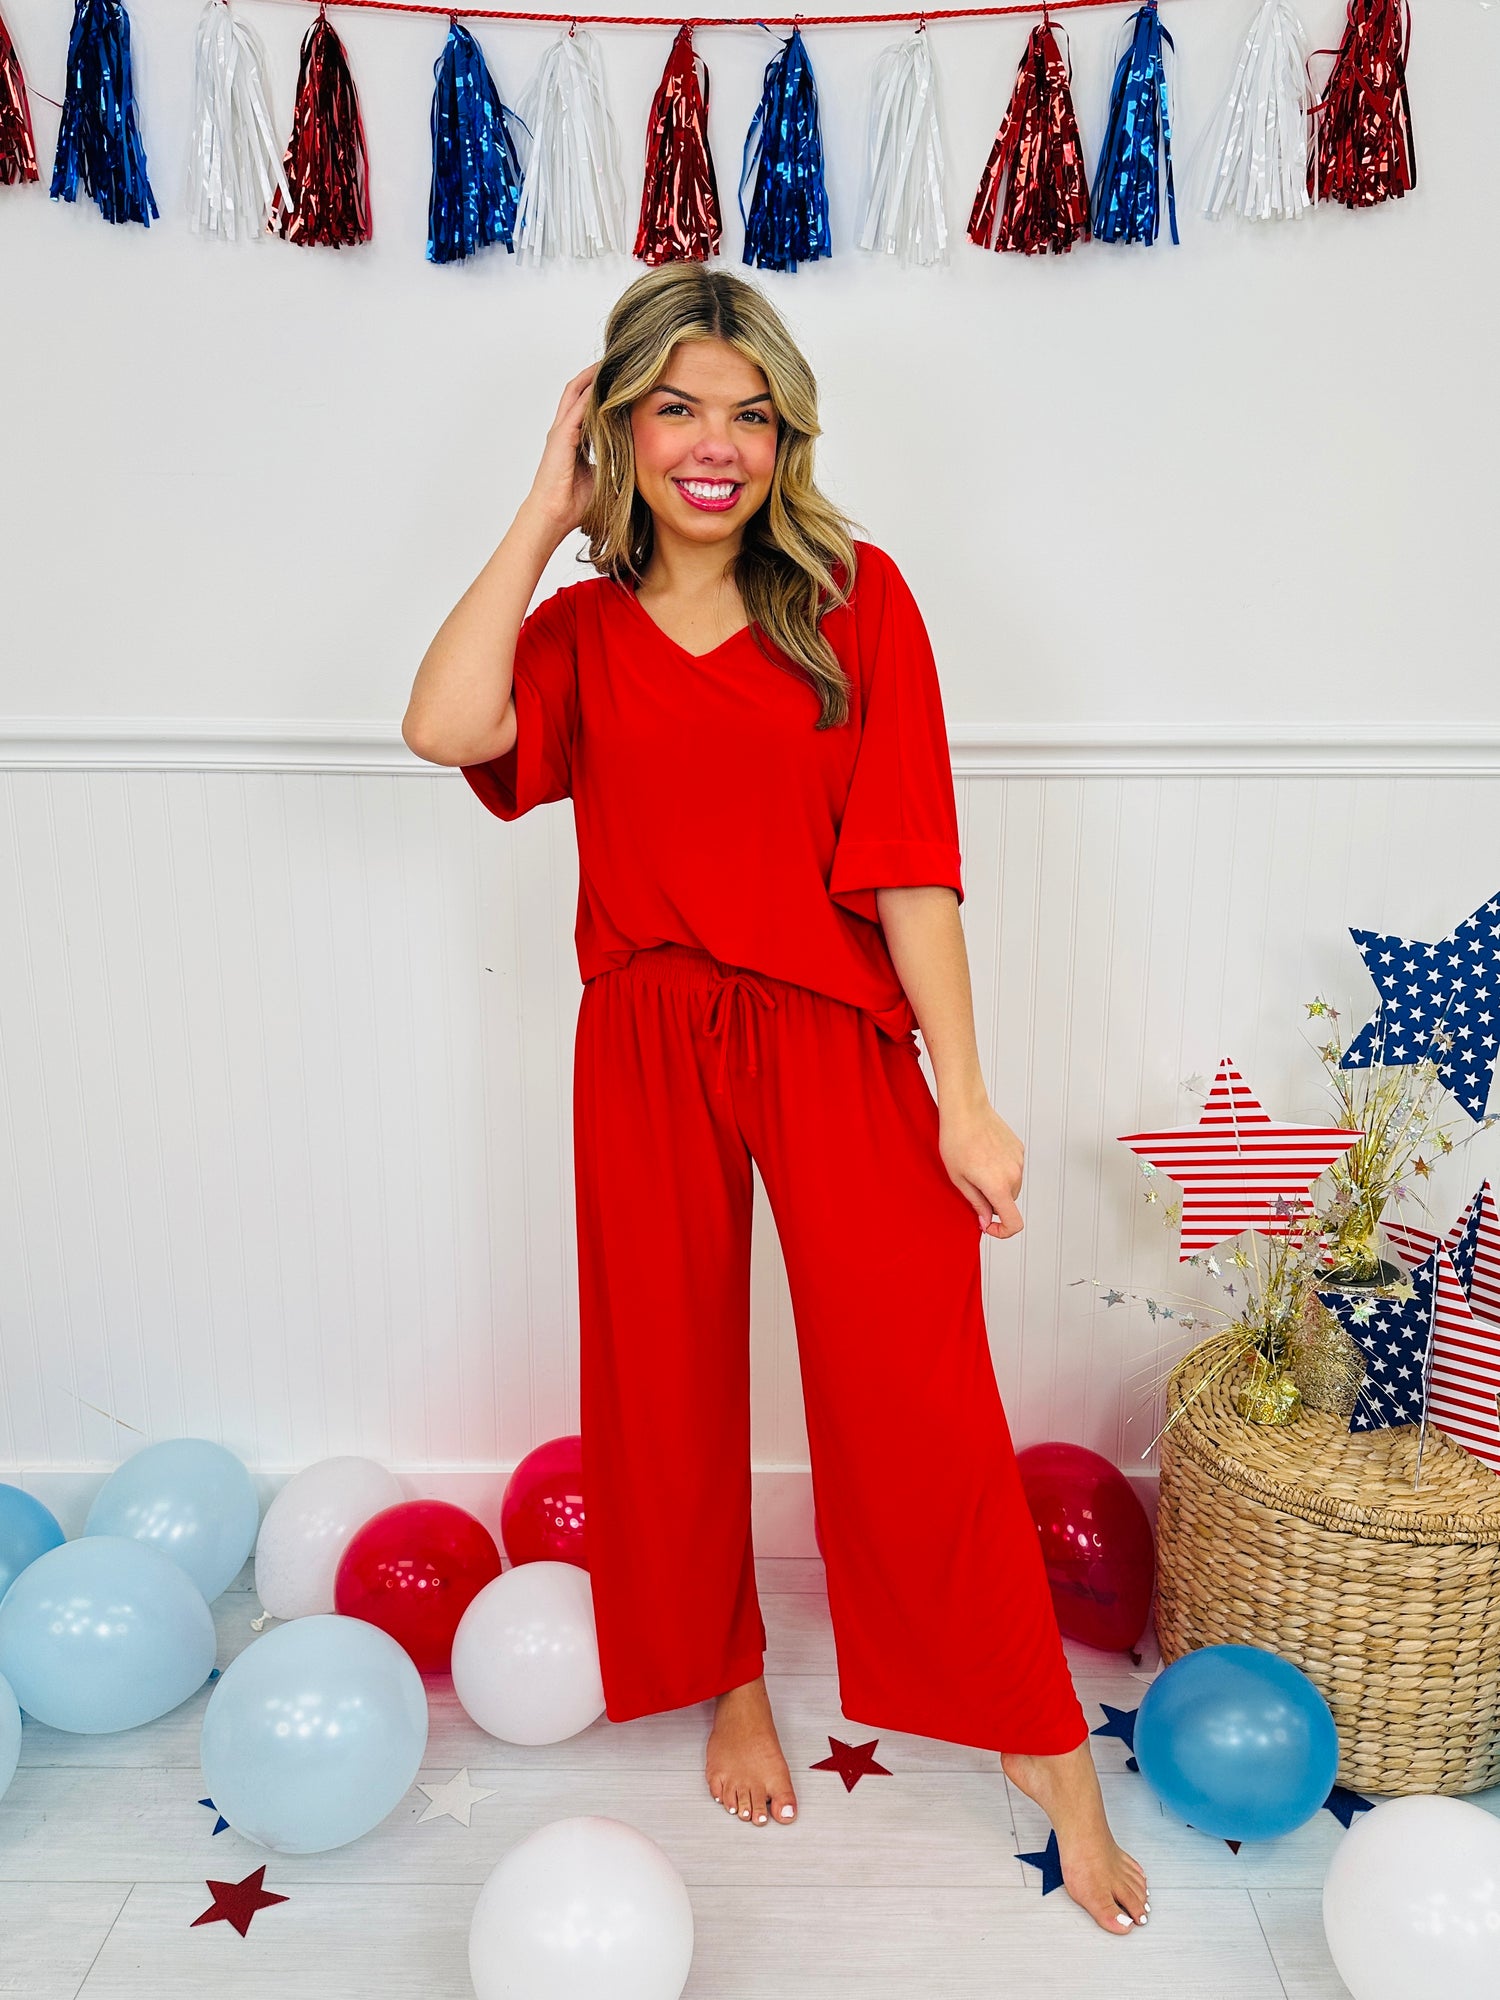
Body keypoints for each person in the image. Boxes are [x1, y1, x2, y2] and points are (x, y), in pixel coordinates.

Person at [403, 264, 1149, 1936]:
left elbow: (913, 871)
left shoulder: (853, 600)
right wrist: (544, 512)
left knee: (915, 1386)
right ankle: (726, 1675)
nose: (715, 445)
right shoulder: (578, 635)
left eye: (749, 414)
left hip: (829, 1028)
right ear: (617, 428)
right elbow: (441, 724)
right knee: (663, 1375)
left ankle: (1042, 1745)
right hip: (645, 1028)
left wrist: (965, 1097)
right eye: (675, 408)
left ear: (788, 436)